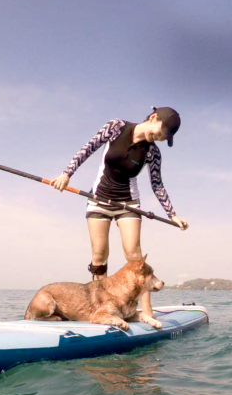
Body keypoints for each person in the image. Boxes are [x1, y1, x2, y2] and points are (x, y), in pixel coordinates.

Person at [50, 106, 188, 318]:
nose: (160, 138)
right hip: (98, 199)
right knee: (99, 254)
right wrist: (67, 174)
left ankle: (146, 311)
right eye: (162, 132)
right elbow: (87, 149)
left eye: (164, 137)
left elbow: (157, 184)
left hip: (128, 203)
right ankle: (99, 309)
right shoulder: (116, 127)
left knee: (134, 255)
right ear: (153, 118)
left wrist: (172, 214)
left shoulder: (152, 152)